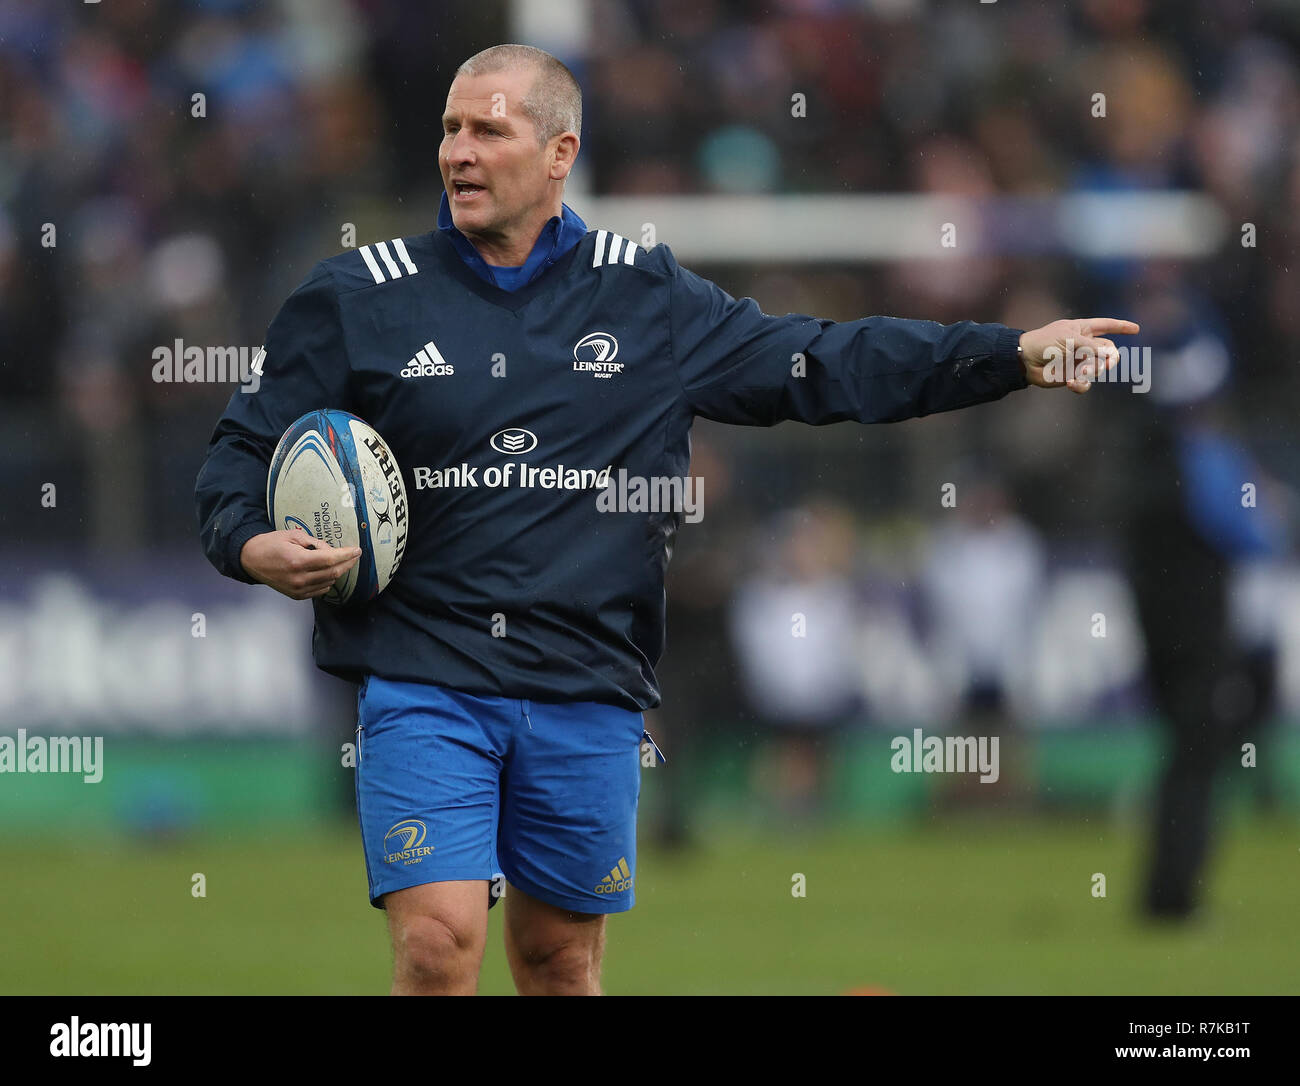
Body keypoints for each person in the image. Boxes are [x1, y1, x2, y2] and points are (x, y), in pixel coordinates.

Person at [195, 43, 1137, 995]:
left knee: (559, 960)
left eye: (490, 129)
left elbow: (819, 362)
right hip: (426, 677)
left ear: (561, 153)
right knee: (438, 948)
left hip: (586, 678)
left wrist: (1010, 355)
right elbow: (238, 451)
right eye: (450, 128)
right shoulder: (360, 296)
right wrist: (250, 541)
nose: (460, 153)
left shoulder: (646, 296)